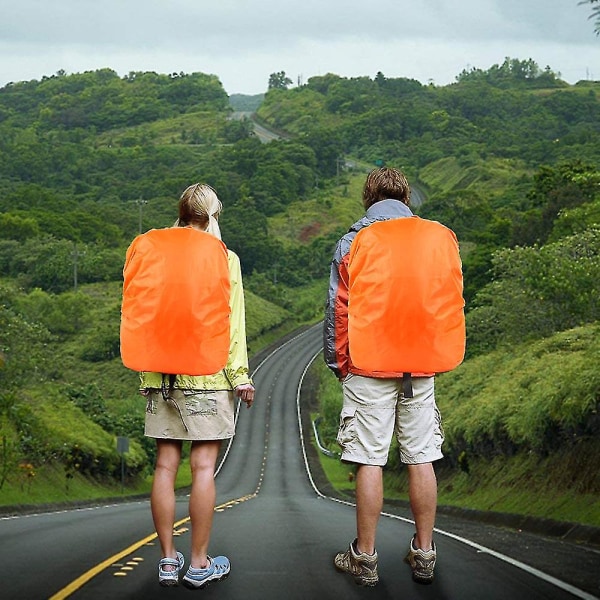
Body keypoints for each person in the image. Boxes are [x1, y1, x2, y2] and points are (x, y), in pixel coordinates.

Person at [323, 167, 464, 587]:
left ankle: (365, 557)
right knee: (421, 455)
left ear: (369, 199)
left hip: (368, 364)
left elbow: (338, 309)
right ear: (406, 198)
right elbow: (449, 298)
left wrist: (339, 364)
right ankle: (424, 553)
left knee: (369, 458)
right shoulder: (435, 238)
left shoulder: (355, 240)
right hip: (421, 364)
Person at [139, 183, 255, 588]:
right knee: (203, 468)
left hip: (161, 376)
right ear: (213, 215)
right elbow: (232, 324)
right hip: (208, 376)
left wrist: (147, 375)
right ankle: (200, 563)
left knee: (164, 467)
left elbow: (145, 317)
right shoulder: (225, 259)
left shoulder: (156, 256)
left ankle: (168, 560)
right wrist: (240, 377)